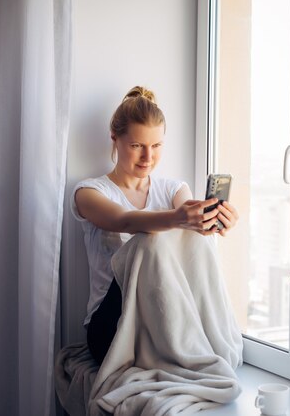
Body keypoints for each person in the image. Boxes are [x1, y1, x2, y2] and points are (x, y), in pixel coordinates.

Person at [70, 85, 239, 364]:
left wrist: (212, 221)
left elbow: (191, 236)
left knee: (191, 238)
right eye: (137, 146)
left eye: (156, 146)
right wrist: (178, 218)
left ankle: (205, 336)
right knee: (148, 240)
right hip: (111, 327)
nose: (148, 157)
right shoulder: (88, 192)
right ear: (115, 139)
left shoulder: (173, 189)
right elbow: (125, 220)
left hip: (165, 321)